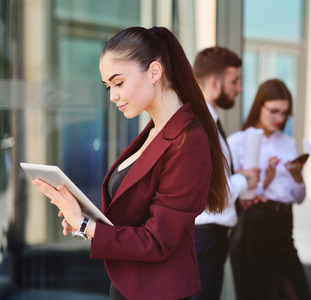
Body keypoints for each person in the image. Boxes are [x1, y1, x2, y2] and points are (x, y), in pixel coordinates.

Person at [32, 26, 229, 300]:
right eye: (108, 86)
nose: (112, 96)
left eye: (119, 83)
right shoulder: (154, 131)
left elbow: (158, 241)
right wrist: (84, 219)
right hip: (132, 286)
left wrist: (85, 227)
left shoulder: (188, 141)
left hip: (158, 292)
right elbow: (132, 214)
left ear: (155, 72)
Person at [228, 79, 311, 300]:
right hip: (254, 224)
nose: (279, 119)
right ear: (259, 106)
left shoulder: (288, 142)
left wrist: (297, 178)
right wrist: (266, 180)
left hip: (284, 224)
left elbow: (299, 197)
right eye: (274, 111)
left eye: (285, 113)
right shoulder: (237, 142)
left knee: (298, 291)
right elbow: (237, 196)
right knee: (258, 292)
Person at [191, 46, 260, 300]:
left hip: (207, 238)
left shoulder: (205, 120)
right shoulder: (200, 125)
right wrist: (244, 180)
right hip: (205, 238)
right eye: (235, 80)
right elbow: (208, 195)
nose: (239, 88)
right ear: (213, 82)